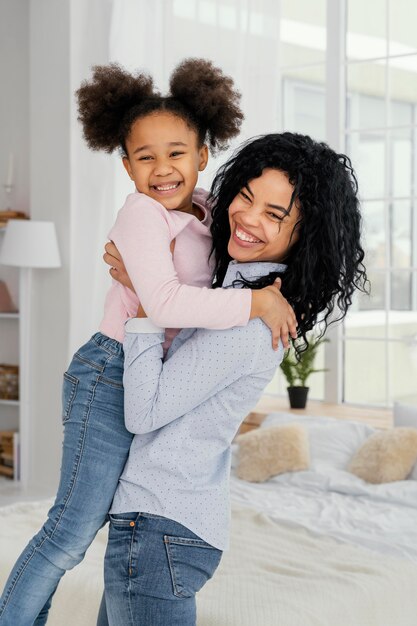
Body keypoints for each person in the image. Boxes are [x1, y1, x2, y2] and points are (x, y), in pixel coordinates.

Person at [0, 60, 296, 626]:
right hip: (109, 372)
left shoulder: (213, 211)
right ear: (126, 165)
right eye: (145, 157)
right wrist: (256, 303)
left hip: (148, 369)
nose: (163, 169)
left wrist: (273, 296)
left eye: (177, 153)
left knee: (90, 527)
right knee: (71, 530)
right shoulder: (141, 215)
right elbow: (163, 305)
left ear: (204, 154)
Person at [100, 132, 368, 625]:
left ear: (302, 236)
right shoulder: (233, 294)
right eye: (246, 197)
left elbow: (145, 412)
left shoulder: (251, 320)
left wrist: (144, 302)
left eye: (274, 215)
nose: (247, 219)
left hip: (161, 524)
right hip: (163, 524)